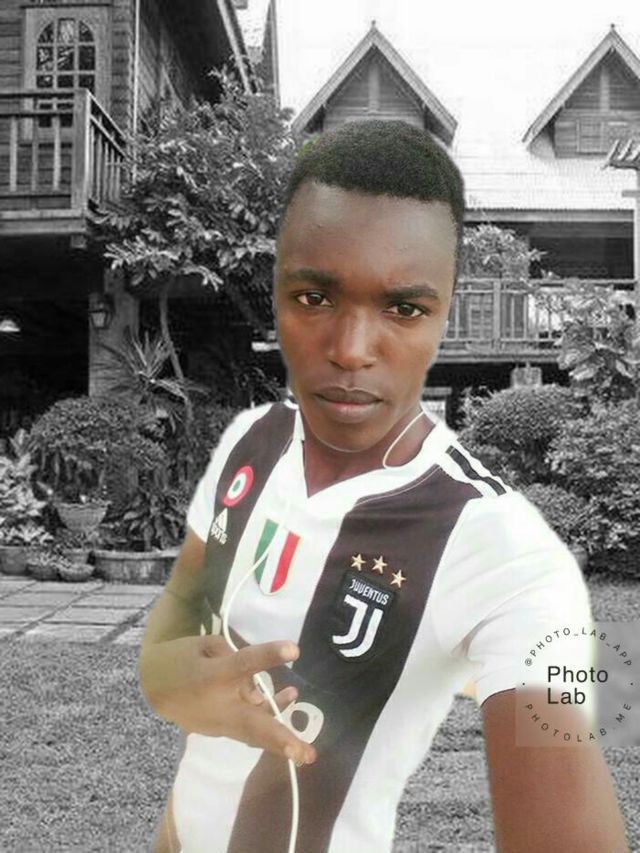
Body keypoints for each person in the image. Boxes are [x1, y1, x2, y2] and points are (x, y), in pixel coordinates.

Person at [139, 120, 628, 852]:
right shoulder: (252, 440)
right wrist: (169, 680)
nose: (350, 350)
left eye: (403, 308)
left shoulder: (507, 554)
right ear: (276, 289)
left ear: (446, 311)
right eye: (314, 297)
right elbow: (178, 616)